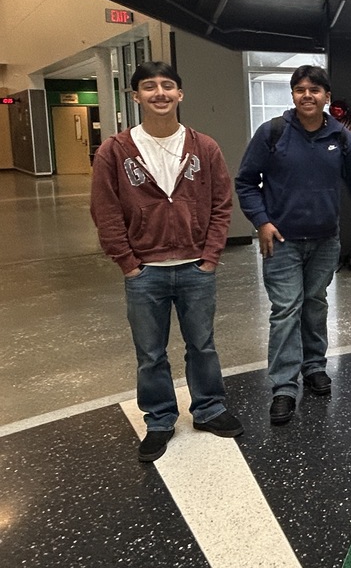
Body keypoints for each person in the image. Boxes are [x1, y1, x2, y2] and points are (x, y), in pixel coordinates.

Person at [90, 61, 243, 462]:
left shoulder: (203, 146)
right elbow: (105, 210)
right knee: (150, 353)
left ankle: (209, 409)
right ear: (136, 96)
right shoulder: (116, 150)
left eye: (167, 86)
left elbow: (221, 205)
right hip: (144, 272)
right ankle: (159, 420)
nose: (159, 93)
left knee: (203, 345)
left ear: (180, 94)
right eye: (149, 87)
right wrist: (127, 263)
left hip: (196, 268)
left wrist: (210, 258)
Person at [235, 65, 351, 426]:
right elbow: (246, 182)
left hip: (326, 240)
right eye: (300, 89)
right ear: (292, 95)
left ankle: (314, 366)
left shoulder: (341, 138)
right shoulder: (273, 133)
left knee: (314, 304)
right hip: (282, 242)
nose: (307, 95)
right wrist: (261, 221)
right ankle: (283, 386)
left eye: (314, 90)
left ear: (327, 96)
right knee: (285, 310)